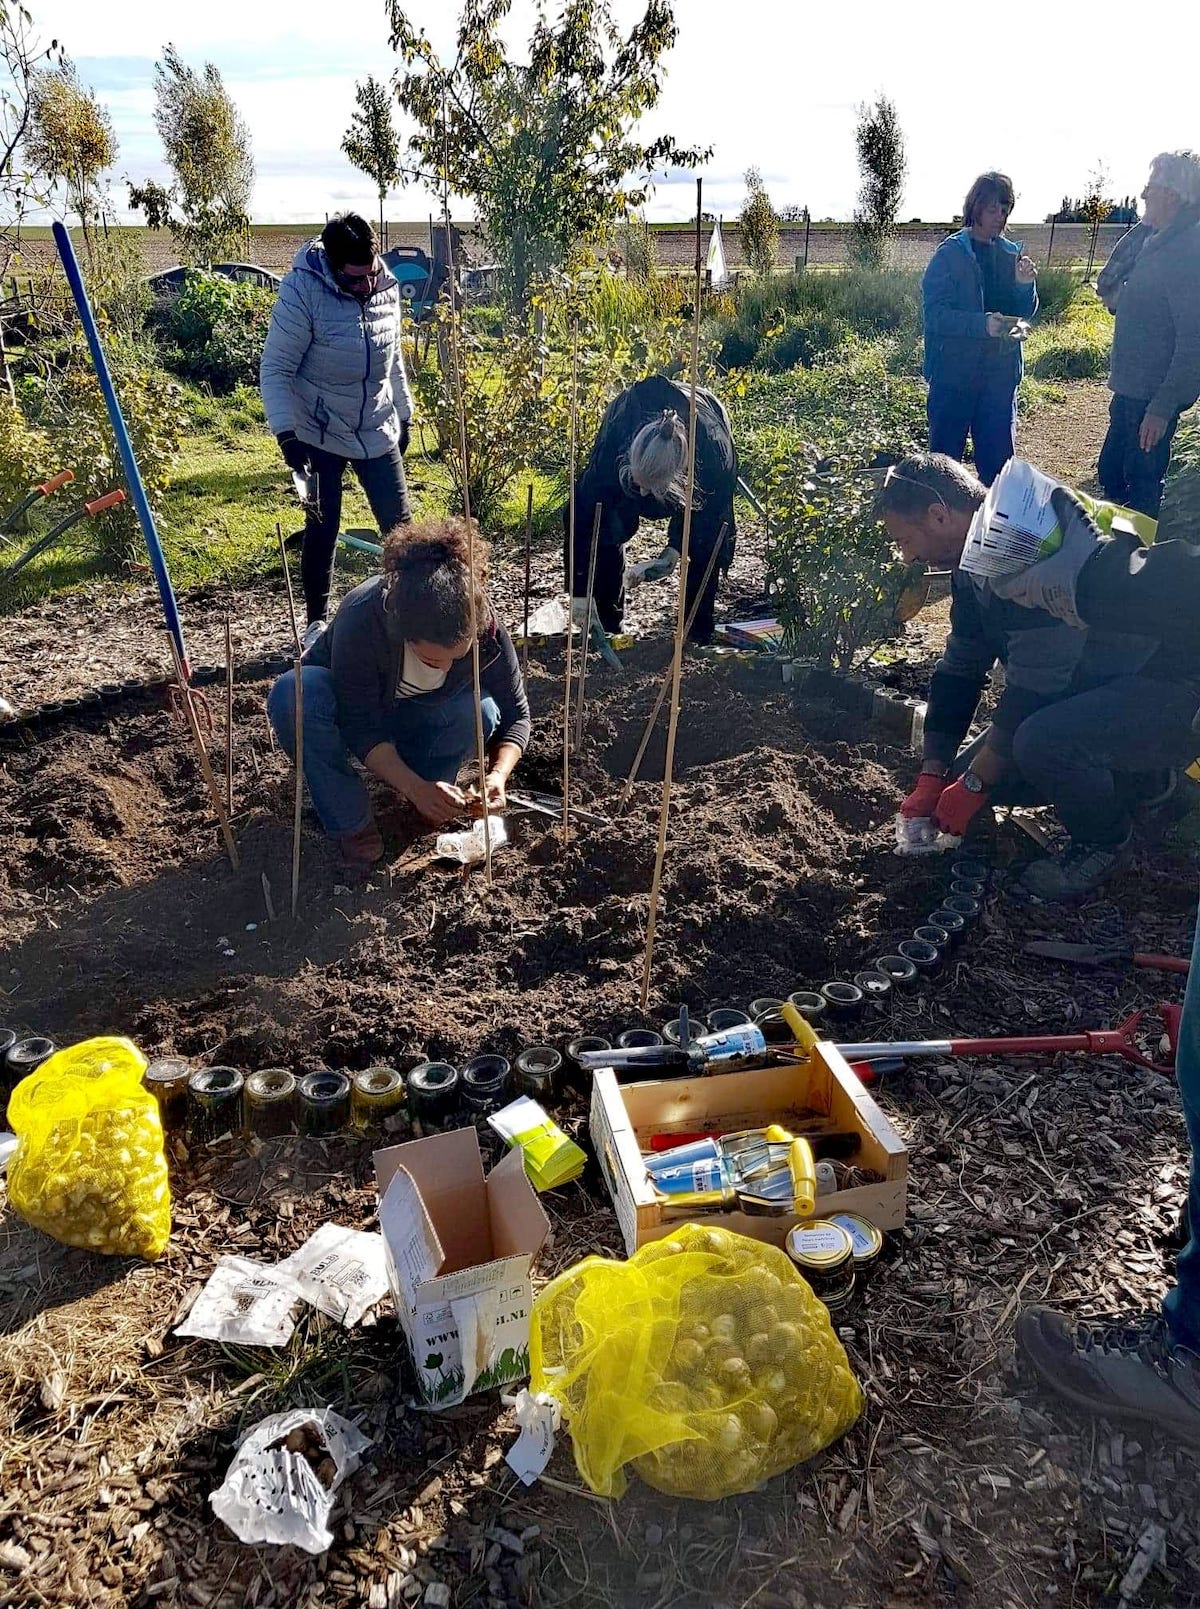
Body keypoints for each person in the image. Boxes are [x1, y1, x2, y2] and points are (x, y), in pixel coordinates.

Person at [879, 452, 1200, 900]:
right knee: (976, 771)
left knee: (1038, 745)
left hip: (1166, 690)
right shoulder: (974, 564)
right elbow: (961, 667)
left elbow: (1037, 687)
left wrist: (974, 784)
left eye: (905, 540)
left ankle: (1105, 843)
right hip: (1098, 685)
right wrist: (934, 774)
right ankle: (1143, 783)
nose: (906, 555)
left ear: (938, 516)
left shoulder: (1025, 550)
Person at [266, 519, 530, 869]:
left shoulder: (484, 627)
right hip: (349, 715)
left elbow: (517, 715)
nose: (447, 669)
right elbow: (361, 726)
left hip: (421, 718)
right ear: (403, 632)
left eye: (459, 656)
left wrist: (497, 774)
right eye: (432, 659)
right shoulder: (364, 618)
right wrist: (414, 788)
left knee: (479, 712)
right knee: (296, 694)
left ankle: (430, 785)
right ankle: (351, 821)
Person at [260, 213, 415, 649]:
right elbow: (275, 368)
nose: (366, 286)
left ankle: (408, 617)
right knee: (322, 526)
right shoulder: (301, 291)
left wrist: (404, 412)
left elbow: (393, 357)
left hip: (375, 422)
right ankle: (315, 625)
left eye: (370, 274)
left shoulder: (383, 284)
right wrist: (286, 433)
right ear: (331, 265)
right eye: (355, 279)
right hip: (318, 429)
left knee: (401, 530)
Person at [566, 375, 738, 645]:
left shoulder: (713, 452)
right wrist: (578, 593)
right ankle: (609, 625)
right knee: (607, 524)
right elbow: (584, 514)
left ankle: (696, 634)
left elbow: (711, 520)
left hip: (702, 441)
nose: (644, 494)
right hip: (628, 429)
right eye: (638, 484)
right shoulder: (617, 435)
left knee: (705, 547)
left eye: (652, 489)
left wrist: (674, 551)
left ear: (679, 480)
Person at [1096, 150, 1200, 519]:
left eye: (1150, 187)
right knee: (1111, 474)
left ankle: (1140, 567)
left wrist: (1161, 408)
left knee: (1140, 490)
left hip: (1151, 399)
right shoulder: (1154, 241)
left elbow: (1194, 343)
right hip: (1130, 389)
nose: (1142, 194)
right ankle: (1117, 557)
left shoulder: (1187, 253)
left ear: (1172, 196)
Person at [922, 172, 1038, 485]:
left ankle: (994, 530)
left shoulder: (1010, 254)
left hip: (999, 380)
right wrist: (981, 325)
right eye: (992, 210)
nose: (1000, 217)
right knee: (944, 469)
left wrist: (1026, 287)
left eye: (1005, 210)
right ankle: (944, 531)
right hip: (953, 377)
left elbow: (1024, 315)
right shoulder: (950, 255)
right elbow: (935, 316)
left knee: (999, 469)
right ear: (975, 208)